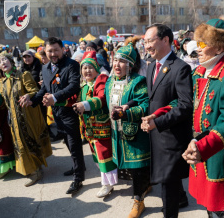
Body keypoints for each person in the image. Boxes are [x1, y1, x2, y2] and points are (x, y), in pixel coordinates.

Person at [182, 21, 224, 218]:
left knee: (221, 209)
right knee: (209, 208)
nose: (197, 49)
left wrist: (204, 146)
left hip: (217, 152)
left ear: (218, 46)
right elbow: (184, 102)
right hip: (198, 147)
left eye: (202, 44)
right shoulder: (199, 71)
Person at [141, 23, 192, 218]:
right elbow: (152, 98)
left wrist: (158, 122)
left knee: (167, 189)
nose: (146, 46)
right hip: (155, 135)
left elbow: (185, 106)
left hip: (172, 138)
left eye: (150, 41)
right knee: (167, 185)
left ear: (165, 40)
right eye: (144, 42)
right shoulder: (151, 66)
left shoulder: (180, 68)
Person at [24, 37, 86, 194]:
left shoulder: (71, 65)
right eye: (49, 51)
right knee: (66, 141)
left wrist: (56, 97)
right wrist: (32, 100)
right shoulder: (45, 68)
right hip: (56, 113)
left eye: (56, 50)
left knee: (74, 143)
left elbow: (73, 86)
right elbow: (44, 88)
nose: (53, 53)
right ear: (45, 51)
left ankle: (78, 178)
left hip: (69, 110)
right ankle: (78, 166)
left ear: (63, 49)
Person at [105, 40, 151, 218]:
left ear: (131, 66)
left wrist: (126, 113)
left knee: (138, 168)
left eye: (123, 61)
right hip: (117, 134)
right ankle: (145, 187)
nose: (117, 64)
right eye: (116, 60)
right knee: (129, 170)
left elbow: (145, 104)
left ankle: (138, 201)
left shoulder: (138, 82)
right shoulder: (110, 82)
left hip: (135, 136)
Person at [0, 52, 52, 187]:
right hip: (13, 120)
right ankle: (33, 170)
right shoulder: (2, 81)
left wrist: (28, 95)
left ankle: (36, 172)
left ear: (11, 61)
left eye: (5, 60)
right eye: (0, 62)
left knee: (29, 142)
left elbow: (34, 89)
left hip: (27, 117)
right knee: (20, 145)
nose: (3, 63)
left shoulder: (23, 75)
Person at [73, 51, 118, 198]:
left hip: (102, 126)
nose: (87, 71)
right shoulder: (85, 86)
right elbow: (74, 99)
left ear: (96, 68)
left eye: (90, 68)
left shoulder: (102, 79)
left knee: (104, 154)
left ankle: (108, 184)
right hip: (90, 129)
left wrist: (84, 104)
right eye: (84, 68)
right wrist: (56, 99)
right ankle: (109, 180)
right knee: (97, 155)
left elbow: (102, 98)